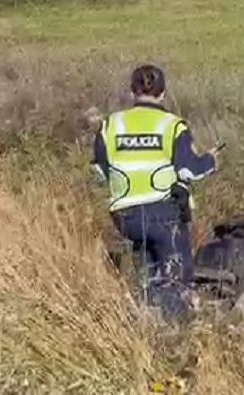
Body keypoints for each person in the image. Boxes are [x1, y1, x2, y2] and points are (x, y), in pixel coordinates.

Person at [91, 64, 219, 322]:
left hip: (125, 217)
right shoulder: (172, 126)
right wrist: (210, 160)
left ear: (132, 91)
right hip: (163, 214)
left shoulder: (110, 125)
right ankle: (173, 342)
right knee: (175, 282)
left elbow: (100, 171)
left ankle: (145, 330)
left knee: (148, 279)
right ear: (163, 92)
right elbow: (188, 171)